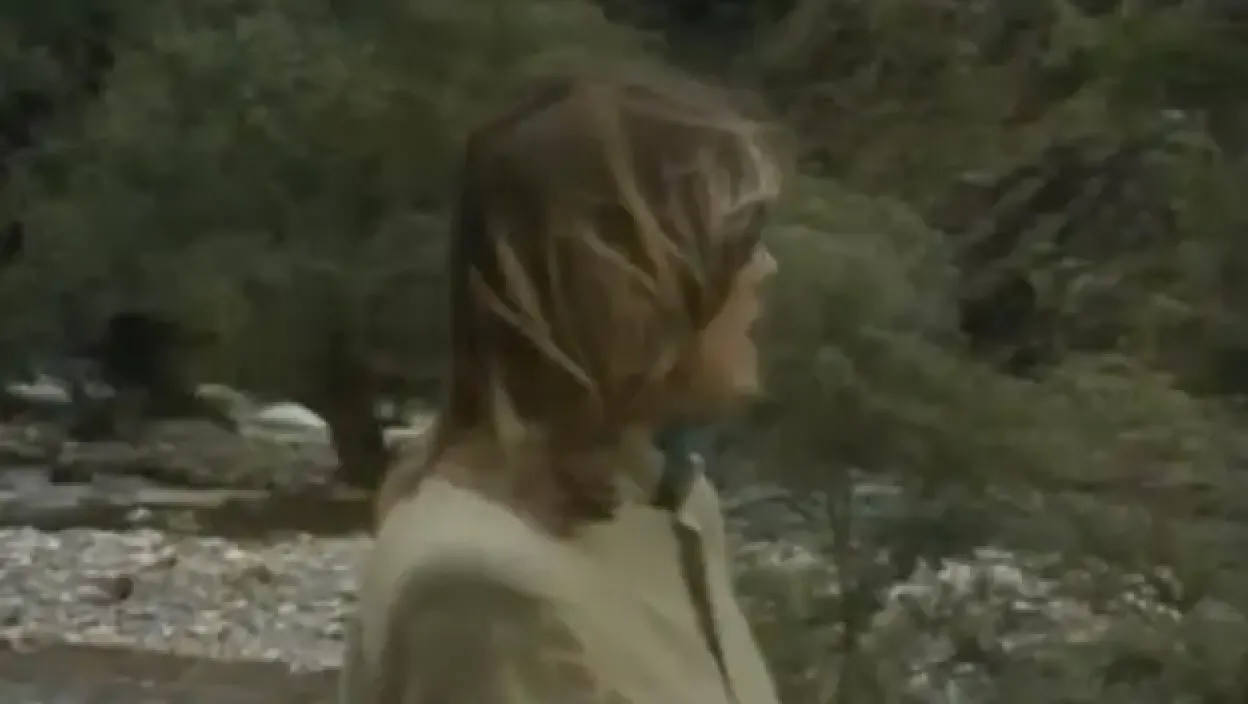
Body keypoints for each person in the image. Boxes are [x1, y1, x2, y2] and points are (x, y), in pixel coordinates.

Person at [341, 65, 784, 704]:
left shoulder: (670, 504)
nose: (764, 269)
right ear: (619, 286)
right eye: (734, 245)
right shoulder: (487, 588)